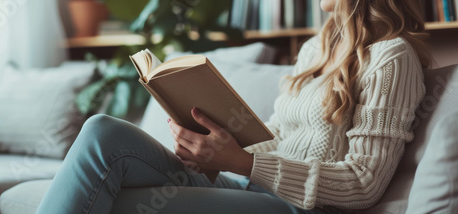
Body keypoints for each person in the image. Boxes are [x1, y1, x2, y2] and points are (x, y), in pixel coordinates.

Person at [36, 0, 431, 213]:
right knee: (102, 131)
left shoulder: (391, 58)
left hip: (296, 207)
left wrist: (243, 163)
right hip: (247, 182)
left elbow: (363, 184)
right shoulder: (315, 49)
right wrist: (214, 150)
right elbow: (277, 139)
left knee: (118, 201)